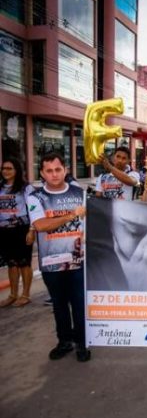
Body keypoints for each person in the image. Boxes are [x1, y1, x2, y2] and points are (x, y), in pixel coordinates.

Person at [27, 152, 90, 362]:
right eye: (49, 171)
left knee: (79, 304)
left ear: (65, 170)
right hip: (51, 262)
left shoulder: (79, 193)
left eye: (58, 169)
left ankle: (82, 343)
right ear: (42, 173)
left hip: (78, 260)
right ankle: (64, 341)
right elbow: (40, 225)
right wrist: (72, 215)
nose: (54, 174)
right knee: (59, 304)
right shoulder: (35, 197)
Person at [0, 158, 35, 307]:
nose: (5, 171)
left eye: (9, 168)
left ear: (17, 170)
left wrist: (32, 230)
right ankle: (13, 294)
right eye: (3, 168)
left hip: (22, 229)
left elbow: (33, 210)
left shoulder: (26, 188)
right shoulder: (0, 187)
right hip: (4, 231)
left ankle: (25, 294)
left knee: (24, 262)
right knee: (11, 263)